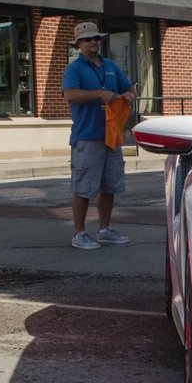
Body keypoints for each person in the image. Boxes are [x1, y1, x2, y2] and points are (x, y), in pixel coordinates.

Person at [61, 21, 137, 251]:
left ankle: (104, 230)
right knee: (83, 188)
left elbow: (130, 87)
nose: (93, 42)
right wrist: (99, 94)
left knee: (109, 186)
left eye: (96, 38)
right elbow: (70, 95)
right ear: (78, 44)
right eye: (88, 39)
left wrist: (130, 95)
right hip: (87, 137)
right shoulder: (74, 69)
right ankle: (79, 234)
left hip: (111, 137)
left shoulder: (110, 65)